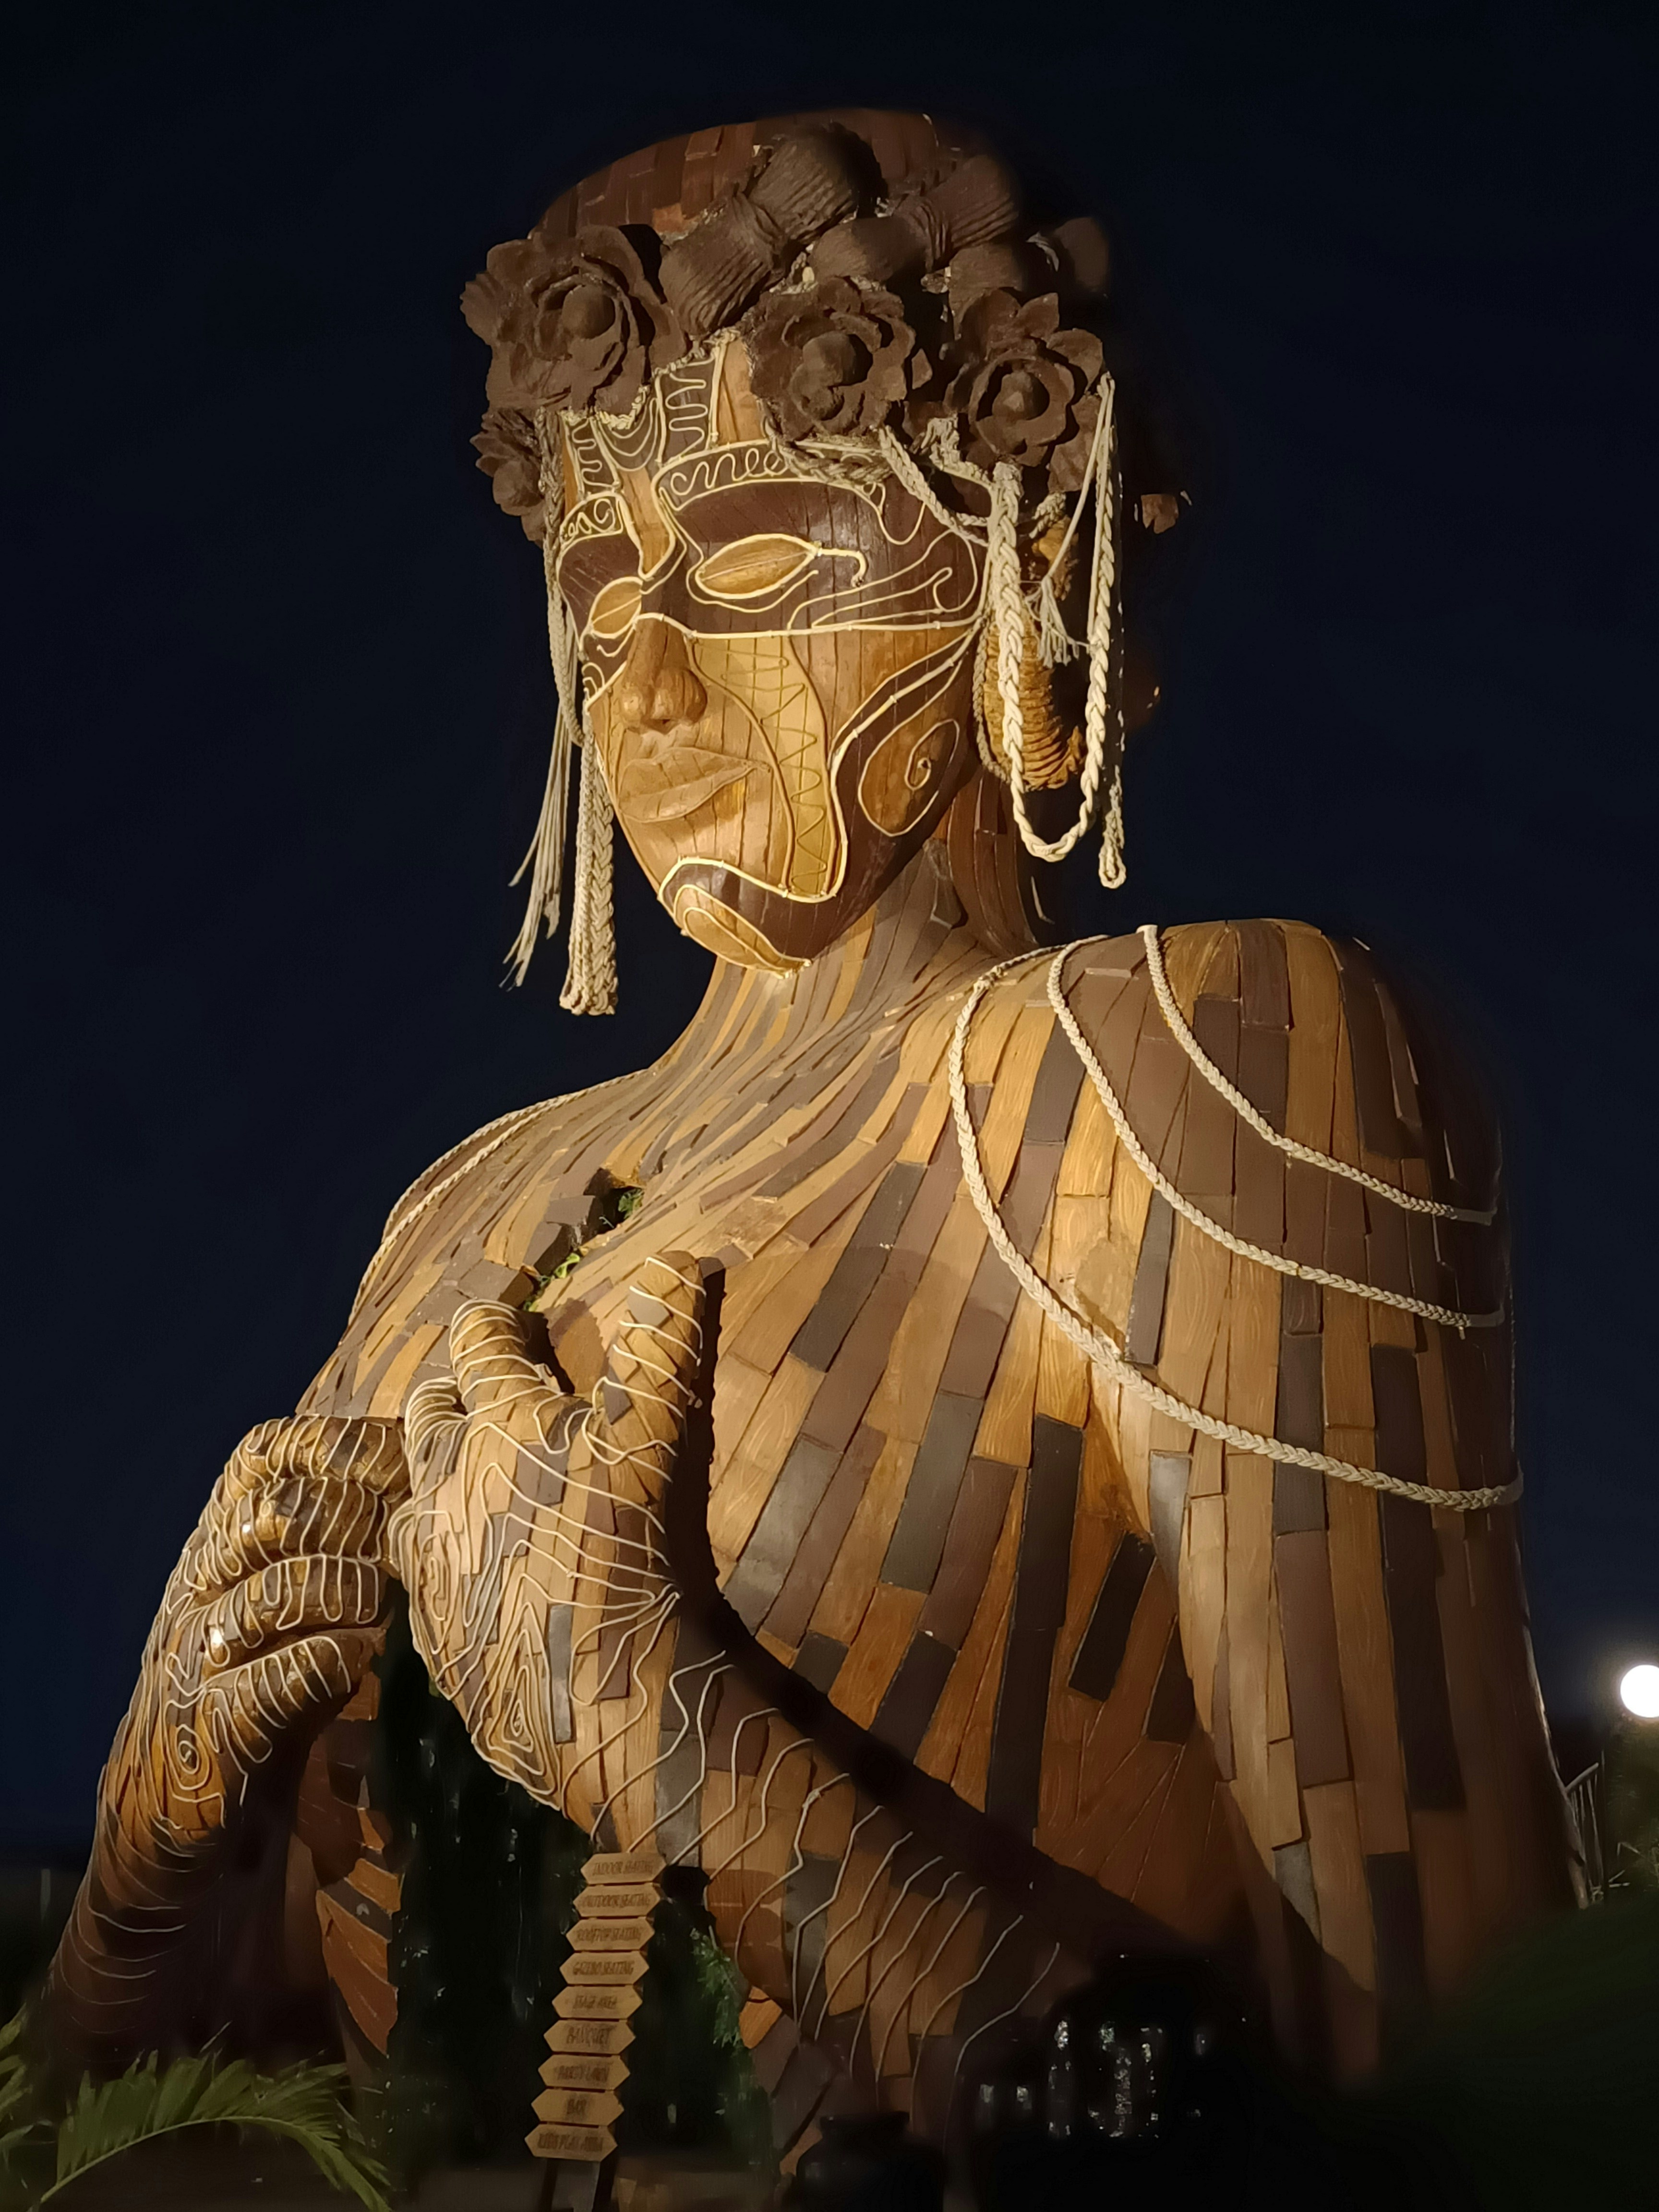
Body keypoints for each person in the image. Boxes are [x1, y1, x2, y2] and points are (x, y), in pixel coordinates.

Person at [48, 110, 1574, 2146]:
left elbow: (1478, 2104)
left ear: (1021, 553)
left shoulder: (1191, 1074)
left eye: (756, 558)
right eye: (603, 592)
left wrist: (684, 1765)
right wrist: (144, 1902)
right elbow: (187, 2125)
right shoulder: (460, 1213)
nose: (650, 688)